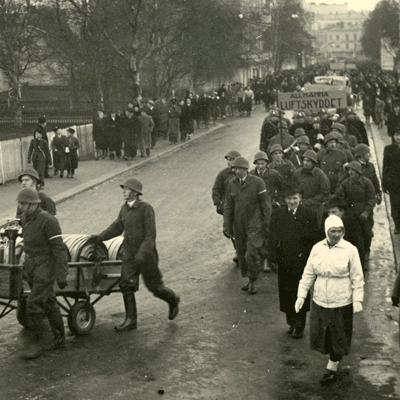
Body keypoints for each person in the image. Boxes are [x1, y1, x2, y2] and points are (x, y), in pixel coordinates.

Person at [90, 178, 180, 331]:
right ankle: (131, 320)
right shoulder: (124, 208)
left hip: (146, 257)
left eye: (125, 189)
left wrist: (142, 254)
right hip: (129, 255)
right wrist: (100, 238)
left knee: (155, 287)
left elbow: (150, 236)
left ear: (134, 192)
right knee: (126, 285)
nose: (123, 192)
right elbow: (117, 227)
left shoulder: (146, 209)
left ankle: (173, 300)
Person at [295, 215, 364, 386]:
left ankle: (332, 367)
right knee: (323, 336)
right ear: (326, 231)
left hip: (341, 301)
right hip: (320, 300)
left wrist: (357, 300)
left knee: (338, 336)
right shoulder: (317, 248)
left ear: (343, 232)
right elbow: (308, 273)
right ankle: (333, 361)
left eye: (339, 231)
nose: (336, 235)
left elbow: (357, 277)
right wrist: (301, 295)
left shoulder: (350, 250)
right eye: (333, 231)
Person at [17, 187, 68, 359]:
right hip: (32, 267)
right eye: (20, 204)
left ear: (33, 204)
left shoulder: (48, 220)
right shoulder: (25, 219)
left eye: (23, 204)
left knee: (34, 303)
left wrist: (62, 274)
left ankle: (38, 344)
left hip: (45, 268)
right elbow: (27, 241)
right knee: (49, 302)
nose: (20, 207)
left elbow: (59, 249)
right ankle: (60, 338)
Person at [269, 185, 319, 339]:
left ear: (300, 198)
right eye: (289, 199)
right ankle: (291, 321)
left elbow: (314, 238)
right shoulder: (278, 215)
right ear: (285, 200)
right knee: (286, 292)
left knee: (300, 291)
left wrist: (311, 259)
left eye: (295, 198)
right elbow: (272, 238)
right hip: (284, 260)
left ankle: (300, 325)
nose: (292, 201)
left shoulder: (309, 215)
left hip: (302, 261)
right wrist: (272, 258)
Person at [223, 156, 271, 294]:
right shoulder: (232, 184)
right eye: (235, 169)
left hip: (255, 223)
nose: (237, 171)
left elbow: (265, 205)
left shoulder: (258, 183)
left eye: (240, 169)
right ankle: (248, 278)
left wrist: (267, 225)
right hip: (239, 224)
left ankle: (254, 279)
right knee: (242, 252)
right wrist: (227, 225)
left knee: (252, 252)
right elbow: (228, 206)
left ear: (246, 170)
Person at [322, 197, 365, 271]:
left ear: (342, 212)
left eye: (334, 212)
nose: (330, 215)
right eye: (329, 212)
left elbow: (358, 248)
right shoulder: (327, 223)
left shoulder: (350, 225)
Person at [293, 150, 330, 216]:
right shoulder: (297, 173)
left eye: (308, 161)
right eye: (304, 160)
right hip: (298, 206)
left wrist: (308, 202)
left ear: (313, 162)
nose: (305, 163)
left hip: (314, 208)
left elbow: (324, 194)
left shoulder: (320, 175)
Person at [382, 127, 400, 234]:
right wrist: (384, 183)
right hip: (394, 183)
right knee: (395, 206)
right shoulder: (388, 149)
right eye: (397, 135)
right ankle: (397, 226)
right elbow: (385, 166)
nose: (398, 137)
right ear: (393, 136)